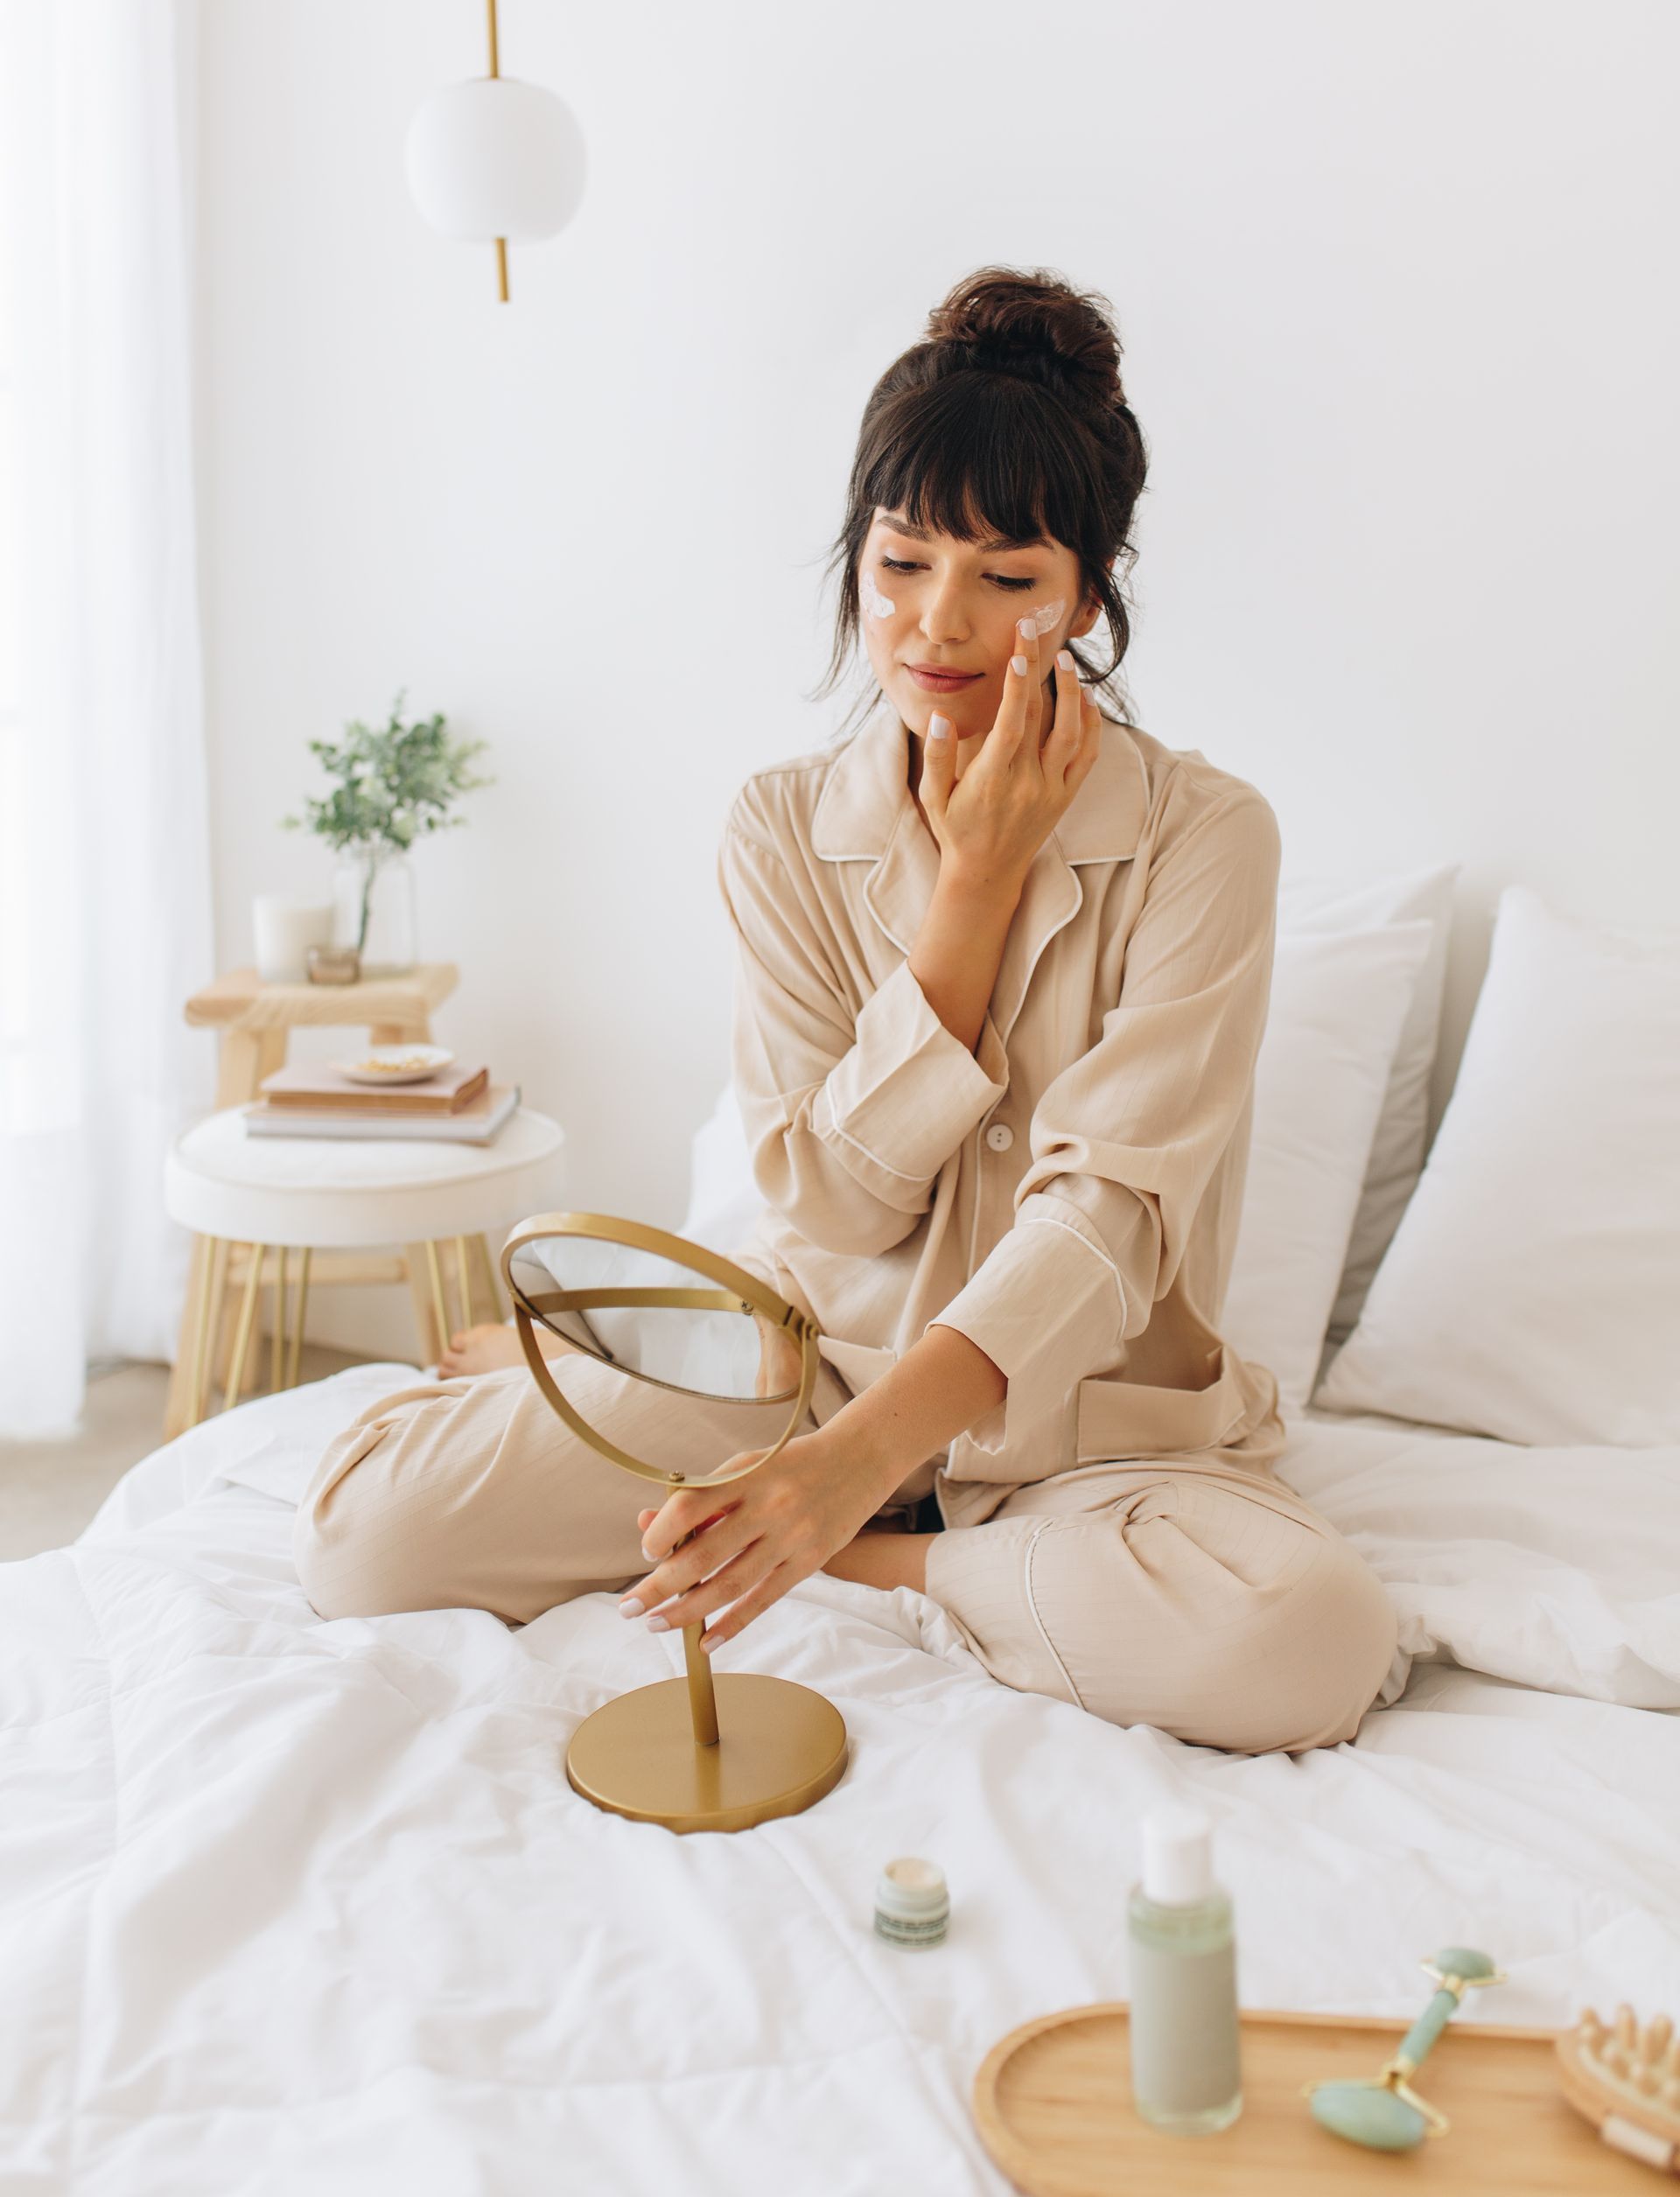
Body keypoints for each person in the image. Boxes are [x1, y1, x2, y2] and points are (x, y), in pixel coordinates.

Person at [293, 264, 1399, 1754]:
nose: (938, 623)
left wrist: (835, 1492)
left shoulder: (1206, 837)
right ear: (857, 559)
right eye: (901, 563)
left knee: (1303, 1645)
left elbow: (1110, 1221)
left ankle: (871, 1556)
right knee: (370, 1539)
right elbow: (827, 1197)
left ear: (1086, 595)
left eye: (1007, 579)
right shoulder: (780, 827)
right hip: (802, 1373)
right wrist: (972, 898)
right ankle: (735, 1450)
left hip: (1092, 1433)